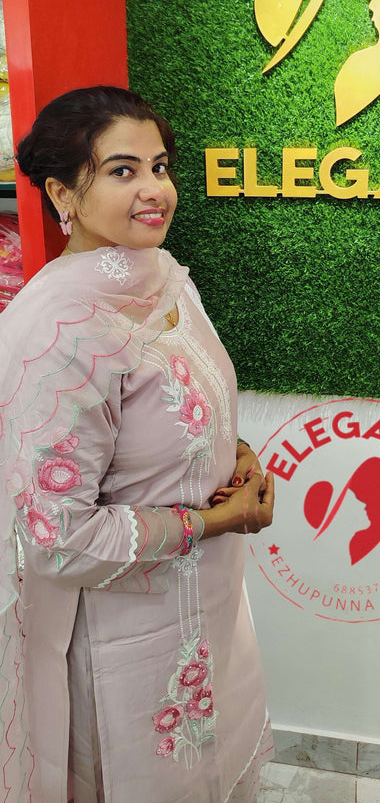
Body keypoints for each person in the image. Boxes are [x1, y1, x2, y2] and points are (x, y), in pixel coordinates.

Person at [0, 86, 275, 803]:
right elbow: (57, 537)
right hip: (128, 642)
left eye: (159, 166)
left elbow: (181, 407)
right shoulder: (59, 332)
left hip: (211, 606)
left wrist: (235, 452)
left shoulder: (164, 278)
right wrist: (214, 520)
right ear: (62, 192)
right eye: (123, 170)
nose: (155, 190)